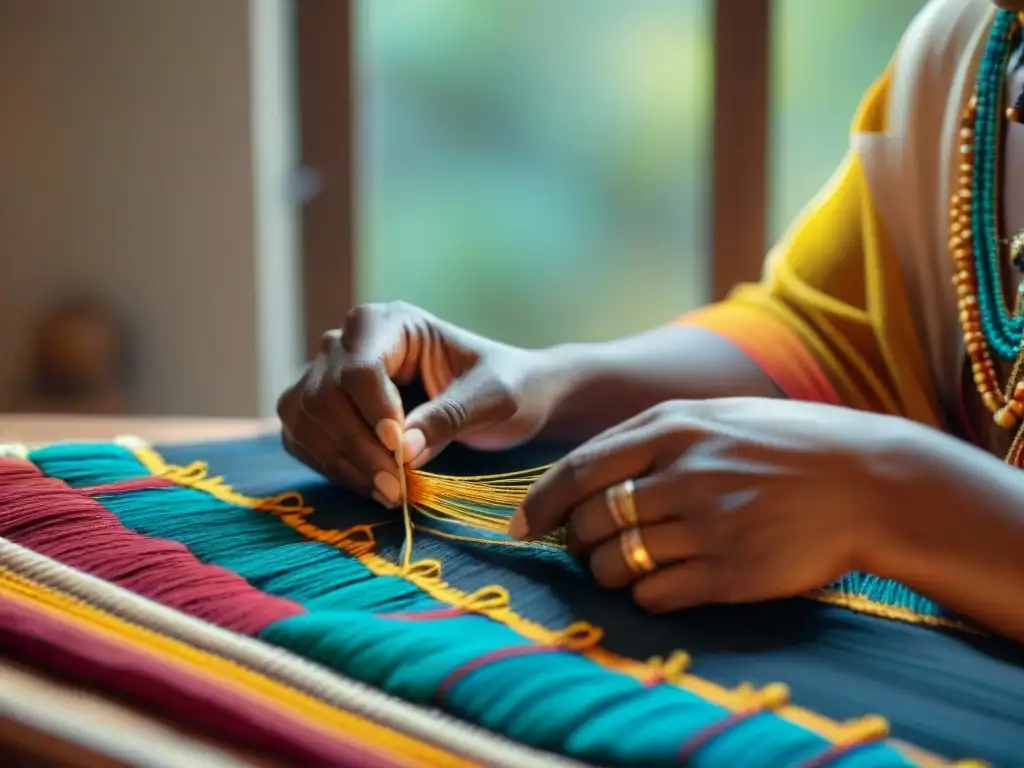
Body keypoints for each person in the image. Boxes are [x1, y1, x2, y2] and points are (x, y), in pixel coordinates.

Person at [278, 0, 1024, 644]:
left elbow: (868, 443)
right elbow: (834, 341)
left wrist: (887, 490)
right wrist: (546, 384)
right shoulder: (975, 48)